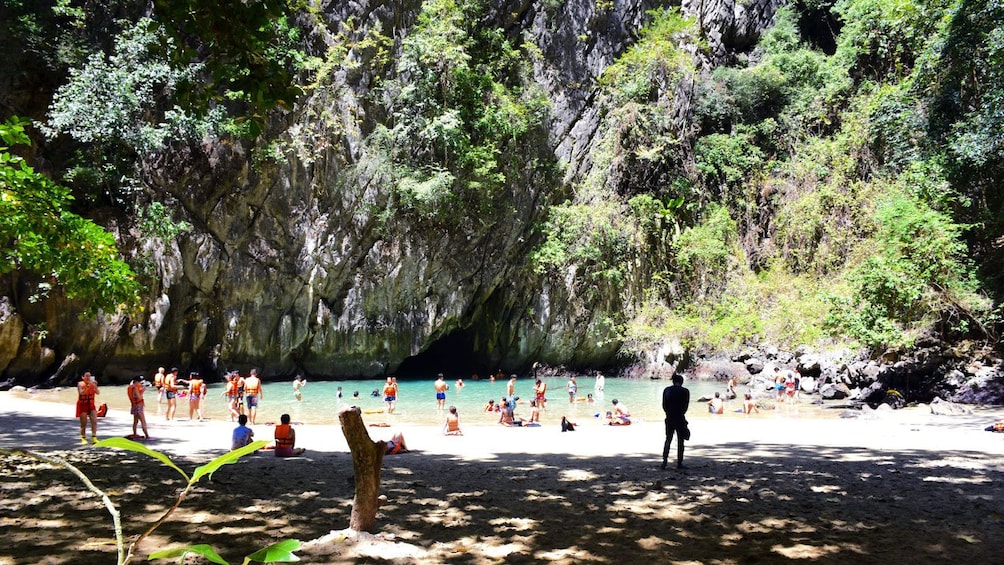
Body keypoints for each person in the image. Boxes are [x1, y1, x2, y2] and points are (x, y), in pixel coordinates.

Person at [662, 374, 691, 469]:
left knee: (668, 439)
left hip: (669, 417)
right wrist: (680, 414)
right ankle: (679, 462)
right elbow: (685, 406)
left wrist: (668, 413)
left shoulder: (666, 390)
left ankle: (664, 461)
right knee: (680, 441)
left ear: (673, 381)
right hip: (680, 418)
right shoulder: (685, 391)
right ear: (682, 382)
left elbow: (664, 405)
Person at [76, 371, 100, 444]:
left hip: (91, 404)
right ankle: (83, 438)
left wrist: (95, 386)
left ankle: (94, 438)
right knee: (83, 423)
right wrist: (88, 386)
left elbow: (98, 393)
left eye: (89, 376)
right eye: (86, 376)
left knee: (94, 421)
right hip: (83, 405)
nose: (88, 377)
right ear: (83, 377)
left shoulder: (93, 384)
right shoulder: (80, 384)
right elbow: (81, 393)